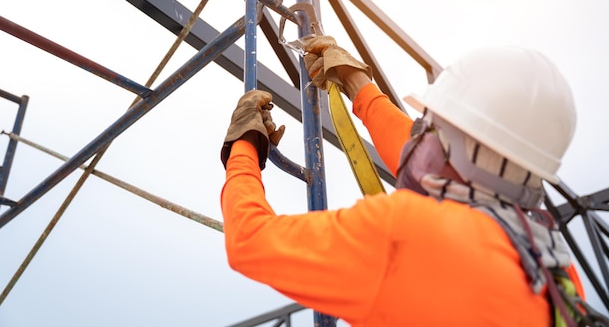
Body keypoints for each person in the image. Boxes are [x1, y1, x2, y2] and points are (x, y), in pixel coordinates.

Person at [219, 36, 591, 326]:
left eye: (433, 129)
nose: (421, 140)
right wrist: (356, 82)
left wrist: (245, 144)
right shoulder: (554, 267)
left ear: (457, 145)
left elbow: (250, 240)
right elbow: (422, 158)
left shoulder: (402, 234)